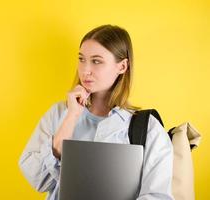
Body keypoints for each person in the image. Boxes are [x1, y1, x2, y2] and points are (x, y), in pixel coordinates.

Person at [18, 24, 174, 200]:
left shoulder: (147, 128)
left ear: (122, 67)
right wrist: (71, 116)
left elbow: (158, 196)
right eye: (81, 59)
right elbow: (38, 181)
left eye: (96, 61)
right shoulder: (58, 114)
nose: (85, 70)